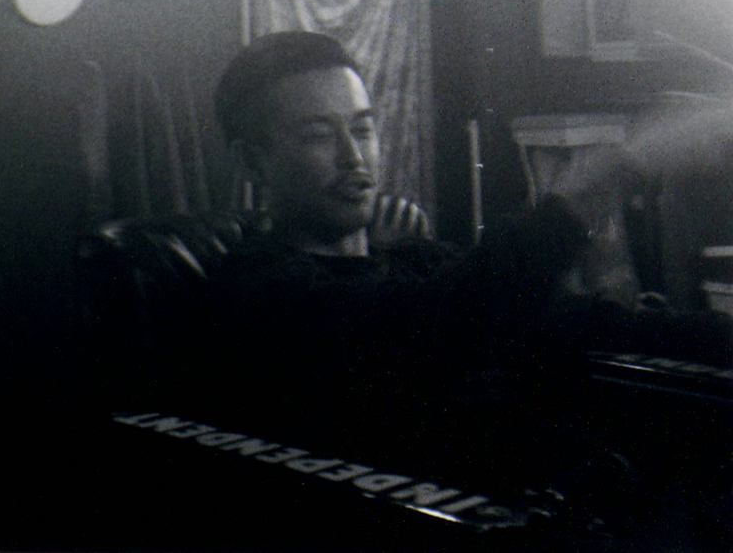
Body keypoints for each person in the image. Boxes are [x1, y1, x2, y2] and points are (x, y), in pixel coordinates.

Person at [152, 32, 723, 493]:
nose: (354, 158)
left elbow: (585, 322)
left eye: (363, 129)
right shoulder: (257, 288)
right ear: (253, 163)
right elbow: (439, 319)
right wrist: (608, 175)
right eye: (318, 136)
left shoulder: (416, 260)